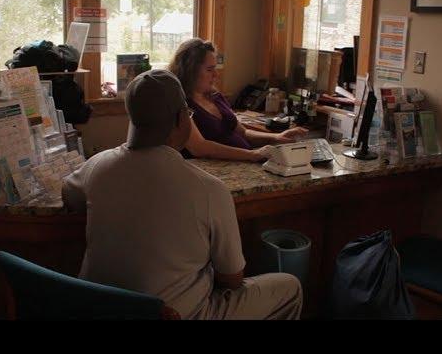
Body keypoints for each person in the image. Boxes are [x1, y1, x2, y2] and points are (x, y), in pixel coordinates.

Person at [62, 69, 303, 320]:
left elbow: (69, 195)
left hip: (98, 309)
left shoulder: (96, 167)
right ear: (181, 120)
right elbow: (232, 279)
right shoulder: (209, 189)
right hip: (177, 314)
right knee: (290, 287)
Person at [168, 38, 308, 161]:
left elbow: (243, 132)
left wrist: (276, 137)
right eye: (210, 69)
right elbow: (200, 147)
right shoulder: (180, 103)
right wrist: (251, 154)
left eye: (216, 68)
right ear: (190, 71)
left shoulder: (216, 97)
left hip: (243, 163)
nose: (216, 74)